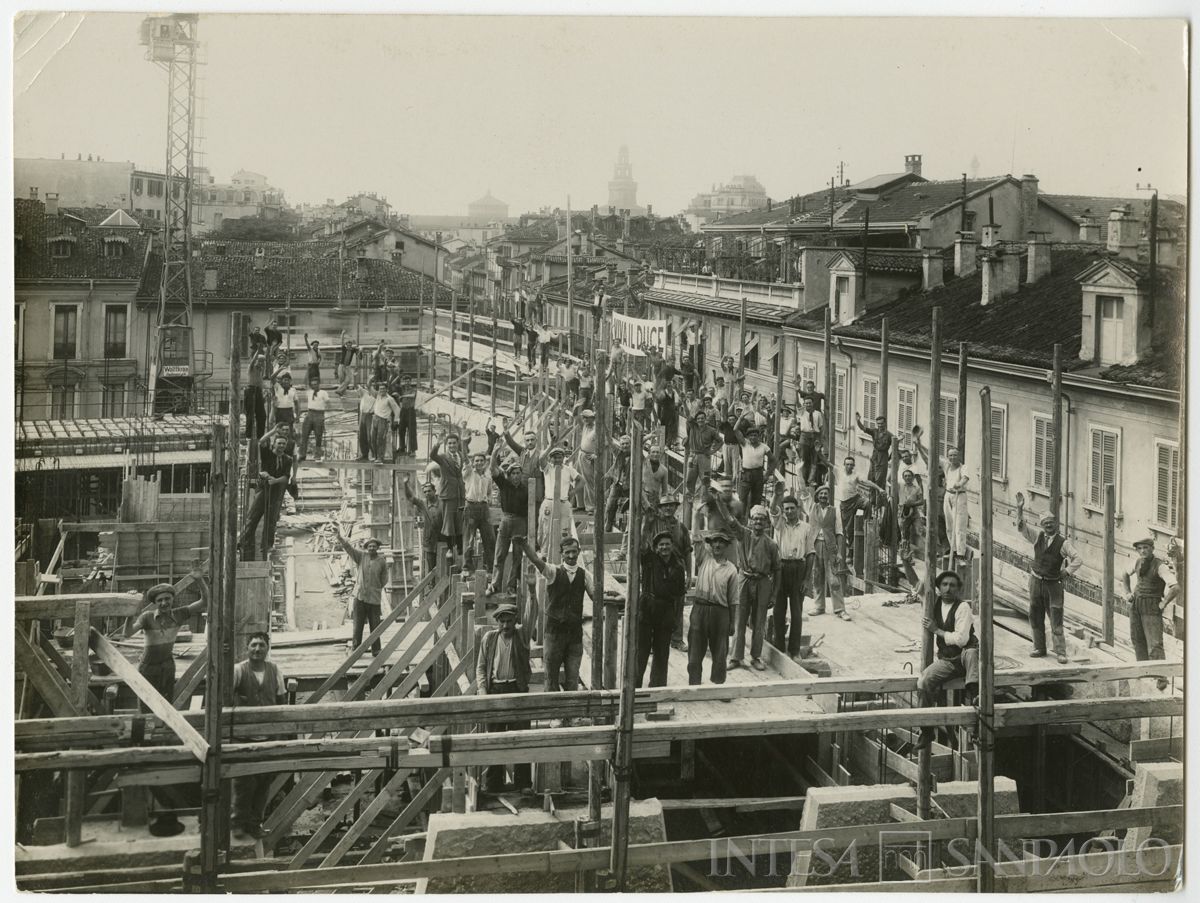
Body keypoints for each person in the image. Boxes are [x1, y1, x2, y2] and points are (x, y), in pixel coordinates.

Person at [517, 535, 593, 692]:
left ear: (579, 552)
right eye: (567, 553)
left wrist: (611, 596)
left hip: (574, 634)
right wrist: (524, 545)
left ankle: (569, 715)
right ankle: (553, 713)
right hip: (554, 633)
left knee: (572, 677)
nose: (571, 556)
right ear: (561, 553)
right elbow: (537, 562)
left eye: (574, 552)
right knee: (551, 677)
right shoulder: (553, 572)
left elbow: (595, 595)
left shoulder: (585, 575)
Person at [231, 632, 288, 838]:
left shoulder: (274, 670)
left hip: (268, 737)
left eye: (261, 645)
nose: (257, 649)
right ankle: (237, 823)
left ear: (267, 648)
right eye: (253, 645)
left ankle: (254, 824)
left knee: (263, 784)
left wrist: (280, 733)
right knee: (244, 783)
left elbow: (281, 702)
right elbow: (225, 700)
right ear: (247, 648)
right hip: (244, 737)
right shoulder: (238, 671)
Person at [915, 570, 979, 750]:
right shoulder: (933, 603)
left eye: (952, 585)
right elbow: (916, 587)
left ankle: (975, 697)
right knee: (924, 681)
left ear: (958, 589)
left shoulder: (963, 607)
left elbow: (962, 640)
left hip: (965, 655)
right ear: (938, 588)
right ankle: (926, 731)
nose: (948, 589)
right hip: (948, 660)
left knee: (973, 654)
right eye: (944, 585)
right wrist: (906, 563)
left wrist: (937, 631)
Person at [1015, 497, 1082, 664]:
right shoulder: (1037, 537)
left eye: (1051, 523)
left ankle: (1060, 652)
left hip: (1053, 586)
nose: (1049, 526)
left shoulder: (1063, 543)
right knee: (1035, 615)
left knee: (1055, 618)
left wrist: (1065, 572)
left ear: (1056, 524)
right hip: (1036, 582)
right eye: (1046, 523)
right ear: (1042, 526)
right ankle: (1039, 648)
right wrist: (1020, 509)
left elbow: (1078, 559)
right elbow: (1021, 528)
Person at [475, 603, 533, 793]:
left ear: (515, 621)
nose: (506, 626)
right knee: (495, 739)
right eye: (502, 622)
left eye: (509, 622)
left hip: (517, 690)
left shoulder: (522, 636)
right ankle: (493, 785)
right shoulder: (489, 638)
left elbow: (532, 613)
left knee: (521, 738)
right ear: (497, 622)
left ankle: (523, 784)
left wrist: (532, 592)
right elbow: (481, 666)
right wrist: (483, 690)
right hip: (496, 690)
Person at [133, 574, 209, 707]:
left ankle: (165, 728)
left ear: (173, 599)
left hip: (168, 667)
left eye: (167, 598)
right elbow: (127, 633)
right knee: (147, 708)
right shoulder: (147, 617)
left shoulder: (180, 614)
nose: (164, 603)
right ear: (155, 603)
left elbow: (205, 601)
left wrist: (199, 579)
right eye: (160, 600)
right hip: (148, 668)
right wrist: (131, 609)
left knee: (167, 706)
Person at [727, 505, 781, 671]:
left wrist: (773, 595)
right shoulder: (743, 535)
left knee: (759, 622)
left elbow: (777, 570)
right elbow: (731, 521)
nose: (758, 521)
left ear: (766, 523)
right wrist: (720, 501)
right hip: (744, 579)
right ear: (750, 521)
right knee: (740, 619)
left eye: (762, 519)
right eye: (755, 518)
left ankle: (755, 657)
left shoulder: (771, 544)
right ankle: (736, 657)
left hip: (762, 582)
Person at [1120, 536, 1179, 688]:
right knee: (1137, 638)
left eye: (1145, 548)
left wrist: (1164, 602)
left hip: (1151, 606)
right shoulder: (1137, 562)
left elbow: (1175, 587)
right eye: (1139, 548)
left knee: (1154, 643)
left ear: (1152, 549)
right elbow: (1124, 574)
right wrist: (1127, 593)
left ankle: (1161, 678)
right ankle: (1144, 670)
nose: (1142, 551)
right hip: (1136, 605)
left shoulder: (1160, 566)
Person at [640, 495, 694, 650]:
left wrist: (689, 574)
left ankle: (676, 639)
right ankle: (651, 640)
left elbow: (688, 552)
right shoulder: (653, 523)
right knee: (653, 604)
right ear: (660, 509)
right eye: (665, 506)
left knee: (678, 604)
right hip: (656, 569)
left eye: (671, 505)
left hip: (676, 570)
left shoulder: (681, 527)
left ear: (676, 508)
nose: (668, 508)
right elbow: (643, 537)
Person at [687, 530, 740, 686]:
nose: (717, 545)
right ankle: (694, 683)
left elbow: (733, 599)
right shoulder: (703, 558)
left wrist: (731, 623)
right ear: (709, 544)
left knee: (720, 651)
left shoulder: (731, 569)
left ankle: (718, 684)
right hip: (700, 608)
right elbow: (697, 536)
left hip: (720, 612)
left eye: (721, 542)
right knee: (695, 648)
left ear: (726, 546)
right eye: (714, 541)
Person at [637, 530, 688, 687]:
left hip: (666, 610)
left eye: (667, 544)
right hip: (647, 607)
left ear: (672, 546)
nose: (664, 547)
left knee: (662, 651)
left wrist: (675, 619)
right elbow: (641, 542)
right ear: (656, 548)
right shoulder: (649, 560)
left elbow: (679, 595)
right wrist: (646, 524)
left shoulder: (678, 567)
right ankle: (635, 685)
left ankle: (657, 686)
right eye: (661, 545)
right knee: (641, 649)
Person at [770, 494, 815, 661]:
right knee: (778, 610)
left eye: (792, 508)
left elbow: (810, 554)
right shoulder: (779, 525)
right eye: (786, 509)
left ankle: (795, 651)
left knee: (796, 612)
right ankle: (779, 648)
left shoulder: (806, 528)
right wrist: (777, 492)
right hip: (781, 568)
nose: (789, 511)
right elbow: (773, 509)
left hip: (798, 569)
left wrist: (806, 579)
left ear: (798, 509)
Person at [335, 529, 391, 656]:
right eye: (369, 546)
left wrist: (375, 588)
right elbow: (349, 549)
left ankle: (376, 650)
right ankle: (356, 649)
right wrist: (340, 537)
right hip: (360, 597)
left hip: (374, 599)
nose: (371, 548)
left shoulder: (381, 561)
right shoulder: (361, 557)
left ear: (377, 547)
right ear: (366, 548)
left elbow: (384, 579)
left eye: (374, 546)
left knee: (375, 626)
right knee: (358, 625)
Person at [239, 433, 293, 559]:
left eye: (283, 444)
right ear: (274, 443)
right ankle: (242, 542)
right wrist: (274, 430)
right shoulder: (268, 454)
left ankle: (267, 546)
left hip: (276, 492)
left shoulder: (288, 460)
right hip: (264, 489)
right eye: (279, 443)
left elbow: (285, 477)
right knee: (252, 517)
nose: (281, 446)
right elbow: (261, 441)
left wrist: (275, 480)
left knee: (271, 520)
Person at [488, 449, 530, 596]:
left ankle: (511, 586)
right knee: (500, 554)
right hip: (506, 520)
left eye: (518, 473)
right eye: (513, 473)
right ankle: (494, 585)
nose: (516, 476)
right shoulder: (504, 485)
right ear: (509, 474)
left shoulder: (526, 489)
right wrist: (494, 453)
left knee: (518, 556)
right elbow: (493, 469)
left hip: (521, 522)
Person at [807, 485, 849, 620]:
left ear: (828, 496)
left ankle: (840, 609)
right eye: (821, 494)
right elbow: (803, 492)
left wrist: (839, 553)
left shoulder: (835, 511)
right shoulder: (812, 508)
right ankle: (819, 606)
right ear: (817, 496)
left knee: (834, 579)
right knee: (817, 576)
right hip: (815, 545)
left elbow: (839, 532)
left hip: (830, 547)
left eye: (826, 494)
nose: (823, 496)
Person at [430, 428, 467, 562]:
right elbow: (433, 455)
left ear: (458, 444)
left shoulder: (461, 456)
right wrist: (438, 443)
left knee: (460, 520)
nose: (452, 446)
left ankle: (461, 547)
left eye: (454, 443)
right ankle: (450, 548)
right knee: (448, 522)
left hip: (459, 494)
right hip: (447, 494)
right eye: (449, 443)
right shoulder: (443, 458)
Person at [539, 446, 582, 547]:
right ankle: (545, 554)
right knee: (547, 530)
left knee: (564, 530)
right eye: (555, 457)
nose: (557, 460)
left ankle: (563, 553)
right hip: (549, 502)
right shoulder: (547, 468)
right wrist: (551, 445)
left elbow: (582, 481)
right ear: (550, 458)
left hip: (563, 502)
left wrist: (572, 492)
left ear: (563, 458)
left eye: (560, 457)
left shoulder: (568, 469)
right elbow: (541, 458)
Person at [462, 452, 496, 573]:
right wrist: (464, 444)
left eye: (481, 461)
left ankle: (491, 567)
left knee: (490, 537)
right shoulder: (469, 472)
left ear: (485, 462)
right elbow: (465, 459)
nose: (479, 463)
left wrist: (489, 499)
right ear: (473, 463)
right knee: (469, 539)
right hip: (471, 507)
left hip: (484, 508)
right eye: (476, 461)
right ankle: (467, 567)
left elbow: (489, 491)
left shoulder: (487, 476)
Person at [404, 478, 443, 577]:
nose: (427, 493)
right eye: (425, 492)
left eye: (429, 491)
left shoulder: (443, 503)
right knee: (431, 567)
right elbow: (411, 497)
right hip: (429, 541)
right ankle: (431, 586)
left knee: (444, 564)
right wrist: (405, 484)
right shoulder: (423, 503)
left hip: (443, 539)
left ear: (434, 491)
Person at [941, 447, 970, 563]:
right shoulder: (946, 465)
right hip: (948, 495)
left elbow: (965, 478)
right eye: (950, 455)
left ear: (959, 456)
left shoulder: (963, 467)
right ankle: (952, 551)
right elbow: (930, 455)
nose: (953, 457)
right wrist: (918, 445)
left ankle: (961, 555)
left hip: (959, 496)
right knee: (949, 526)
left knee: (959, 526)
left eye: (955, 455)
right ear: (948, 457)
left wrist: (960, 483)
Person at [734, 421, 771, 510]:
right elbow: (735, 429)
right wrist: (741, 417)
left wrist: (767, 474)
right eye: (751, 435)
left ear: (759, 436)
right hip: (746, 474)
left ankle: (753, 520)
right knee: (742, 499)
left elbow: (773, 460)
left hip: (758, 475)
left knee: (756, 501)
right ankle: (741, 520)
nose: (753, 437)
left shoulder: (764, 447)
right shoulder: (745, 444)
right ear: (748, 437)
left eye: (755, 435)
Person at [685, 409, 723, 492]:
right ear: (696, 420)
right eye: (698, 418)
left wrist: (712, 451)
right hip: (693, 456)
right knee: (689, 481)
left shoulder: (711, 430)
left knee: (705, 481)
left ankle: (704, 501)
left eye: (702, 418)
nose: (700, 420)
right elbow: (688, 416)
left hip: (705, 457)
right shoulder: (693, 426)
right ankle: (689, 503)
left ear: (705, 419)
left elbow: (720, 441)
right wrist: (684, 403)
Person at [856, 413, 894, 490]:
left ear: (885, 423)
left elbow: (895, 447)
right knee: (871, 480)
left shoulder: (889, 435)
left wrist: (889, 458)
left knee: (879, 482)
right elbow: (863, 428)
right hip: (874, 458)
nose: (880, 425)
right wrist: (858, 420)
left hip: (882, 458)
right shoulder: (874, 432)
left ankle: (879, 501)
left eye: (882, 423)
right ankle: (872, 501)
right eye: (878, 424)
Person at [298, 377, 330, 463]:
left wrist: (323, 414)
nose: (314, 386)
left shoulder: (323, 392)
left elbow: (328, 403)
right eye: (312, 385)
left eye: (315, 384)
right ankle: (302, 455)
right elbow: (305, 382)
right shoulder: (309, 392)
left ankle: (317, 455)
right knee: (304, 435)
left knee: (318, 436)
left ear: (319, 384)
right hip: (310, 413)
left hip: (319, 414)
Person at [369, 382, 402, 464]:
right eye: (380, 389)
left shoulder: (389, 399)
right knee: (372, 439)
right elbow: (369, 388)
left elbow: (397, 410)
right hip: (375, 418)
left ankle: (380, 458)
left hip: (383, 420)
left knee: (381, 439)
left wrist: (395, 420)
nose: (382, 390)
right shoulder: (378, 396)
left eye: (383, 389)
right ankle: (376, 456)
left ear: (387, 390)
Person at [244, 346, 268, 440]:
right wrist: (258, 350)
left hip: (258, 391)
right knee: (250, 414)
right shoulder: (251, 368)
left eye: (262, 361)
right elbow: (253, 361)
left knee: (262, 415)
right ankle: (248, 436)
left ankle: (260, 436)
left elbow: (265, 365)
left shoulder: (260, 371)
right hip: (250, 391)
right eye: (260, 361)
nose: (261, 363)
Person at [396, 375, 419, 457]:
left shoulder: (413, 389)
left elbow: (412, 395)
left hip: (410, 411)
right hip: (403, 411)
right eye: (405, 381)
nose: (407, 383)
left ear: (411, 381)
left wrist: (402, 396)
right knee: (401, 429)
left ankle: (412, 450)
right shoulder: (401, 389)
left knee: (412, 431)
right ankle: (402, 447)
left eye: (408, 381)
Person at [334, 331, 358, 395]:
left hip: (347, 367)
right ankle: (342, 393)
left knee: (348, 379)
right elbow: (342, 341)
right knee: (341, 380)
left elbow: (358, 351)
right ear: (346, 345)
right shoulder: (344, 349)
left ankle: (339, 390)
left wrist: (359, 349)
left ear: (351, 346)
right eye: (348, 345)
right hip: (341, 366)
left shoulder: (353, 350)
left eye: (350, 345)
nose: (349, 346)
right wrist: (342, 334)